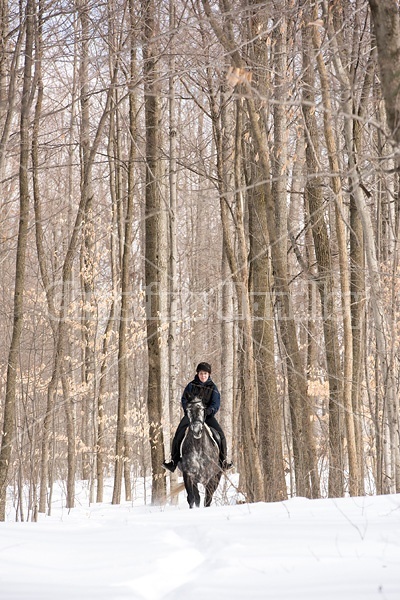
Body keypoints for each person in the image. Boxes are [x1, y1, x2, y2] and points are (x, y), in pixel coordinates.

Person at [162, 362, 233, 472]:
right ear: (197, 374)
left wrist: (208, 411)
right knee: (179, 433)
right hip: (192, 416)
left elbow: (215, 404)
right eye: (201, 373)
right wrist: (189, 410)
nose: (203, 376)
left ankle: (223, 461)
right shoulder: (191, 386)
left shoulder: (213, 388)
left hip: (207, 416)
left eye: (205, 373)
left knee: (220, 434)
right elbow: (184, 400)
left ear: (209, 374)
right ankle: (173, 461)